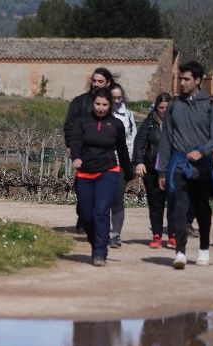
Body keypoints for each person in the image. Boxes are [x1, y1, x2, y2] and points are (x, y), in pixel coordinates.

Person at [158, 60, 213, 270]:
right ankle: (180, 251)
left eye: (186, 79)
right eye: (180, 78)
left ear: (198, 80)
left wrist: (202, 151)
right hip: (178, 165)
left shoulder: (210, 107)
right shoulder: (173, 107)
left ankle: (204, 248)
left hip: (201, 167)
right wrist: (162, 170)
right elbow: (166, 141)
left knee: (201, 208)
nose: (182, 82)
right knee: (178, 209)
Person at [69, 87, 134, 267]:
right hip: (84, 172)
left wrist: (129, 172)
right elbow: (75, 142)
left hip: (108, 171)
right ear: (92, 103)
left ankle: (99, 252)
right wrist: (75, 157)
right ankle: (95, 239)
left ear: (110, 105)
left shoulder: (116, 125)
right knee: (85, 214)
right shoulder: (82, 122)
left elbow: (122, 150)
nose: (101, 108)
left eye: (105, 105)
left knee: (101, 211)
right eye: (98, 104)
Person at [64, 67, 114, 234]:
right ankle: (83, 218)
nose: (96, 84)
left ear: (108, 83)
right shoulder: (79, 102)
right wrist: (72, 147)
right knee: (83, 189)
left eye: (100, 81)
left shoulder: (112, 105)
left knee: (102, 191)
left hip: (105, 155)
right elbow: (69, 125)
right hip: (83, 154)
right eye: (94, 81)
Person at [133, 92, 173, 249]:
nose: (164, 110)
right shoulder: (149, 122)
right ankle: (157, 235)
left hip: (172, 170)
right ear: (156, 108)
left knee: (174, 204)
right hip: (152, 171)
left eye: (167, 107)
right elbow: (139, 143)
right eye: (161, 107)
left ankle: (172, 235)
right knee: (156, 204)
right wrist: (139, 162)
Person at [108, 83, 135, 248]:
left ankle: (116, 234)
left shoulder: (129, 115)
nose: (117, 101)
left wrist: (130, 163)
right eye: (114, 98)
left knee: (117, 198)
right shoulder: (101, 113)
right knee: (103, 199)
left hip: (122, 163)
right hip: (103, 162)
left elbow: (131, 140)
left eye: (119, 97)